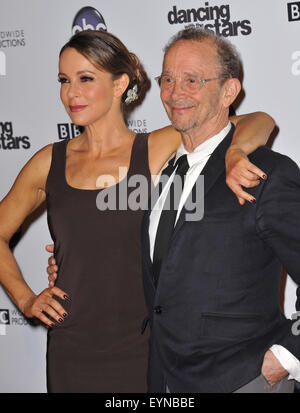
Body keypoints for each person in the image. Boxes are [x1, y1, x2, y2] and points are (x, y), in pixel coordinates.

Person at [0, 29, 273, 393]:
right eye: (64, 80)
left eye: (85, 79)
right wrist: (26, 299)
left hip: (144, 349)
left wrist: (235, 152)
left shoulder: (156, 147)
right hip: (70, 348)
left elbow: (260, 120)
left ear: (119, 84)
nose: (71, 93)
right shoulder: (48, 162)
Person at [138, 28, 300, 393]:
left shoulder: (266, 172)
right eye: (167, 79)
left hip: (244, 380)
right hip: (164, 381)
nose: (175, 92)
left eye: (192, 80)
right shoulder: (164, 171)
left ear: (229, 91)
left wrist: (285, 360)